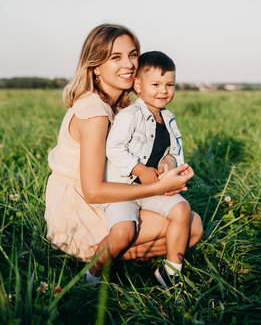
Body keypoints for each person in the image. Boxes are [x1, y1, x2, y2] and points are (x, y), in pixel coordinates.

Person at [44, 24, 203, 286]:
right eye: (115, 57)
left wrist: (169, 162)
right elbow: (94, 192)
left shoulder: (121, 108)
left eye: (132, 54)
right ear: (95, 66)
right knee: (191, 227)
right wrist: (160, 186)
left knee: (189, 223)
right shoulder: (94, 112)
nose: (128, 64)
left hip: (107, 195)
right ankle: (93, 263)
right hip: (81, 208)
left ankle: (118, 256)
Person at [101, 51, 191, 290]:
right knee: (123, 232)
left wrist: (169, 163)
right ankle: (91, 275)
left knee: (182, 209)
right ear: (138, 85)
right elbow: (114, 148)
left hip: (153, 189)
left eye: (169, 85)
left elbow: (176, 151)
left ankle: (170, 273)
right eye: (156, 84)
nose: (163, 91)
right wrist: (140, 169)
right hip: (124, 188)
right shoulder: (130, 116)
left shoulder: (169, 120)